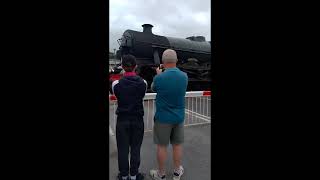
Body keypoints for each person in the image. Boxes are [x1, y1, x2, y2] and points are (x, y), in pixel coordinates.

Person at [149, 49, 188, 180]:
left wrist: (159, 74)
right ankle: (177, 172)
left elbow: (153, 88)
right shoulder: (184, 76)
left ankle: (161, 174)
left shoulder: (159, 78)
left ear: (163, 62)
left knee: (162, 146)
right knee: (177, 145)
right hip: (179, 117)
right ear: (176, 61)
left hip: (163, 118)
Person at [111, 54, 147, 180]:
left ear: (122, 66)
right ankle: (134, 175)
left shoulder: (116, 84)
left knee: (122, 149)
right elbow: (141, 97)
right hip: (137, 119)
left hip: (122, 120)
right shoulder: (143, 83)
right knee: (136, 148)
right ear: (135, 66)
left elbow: (117, 96)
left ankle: (124, 175)